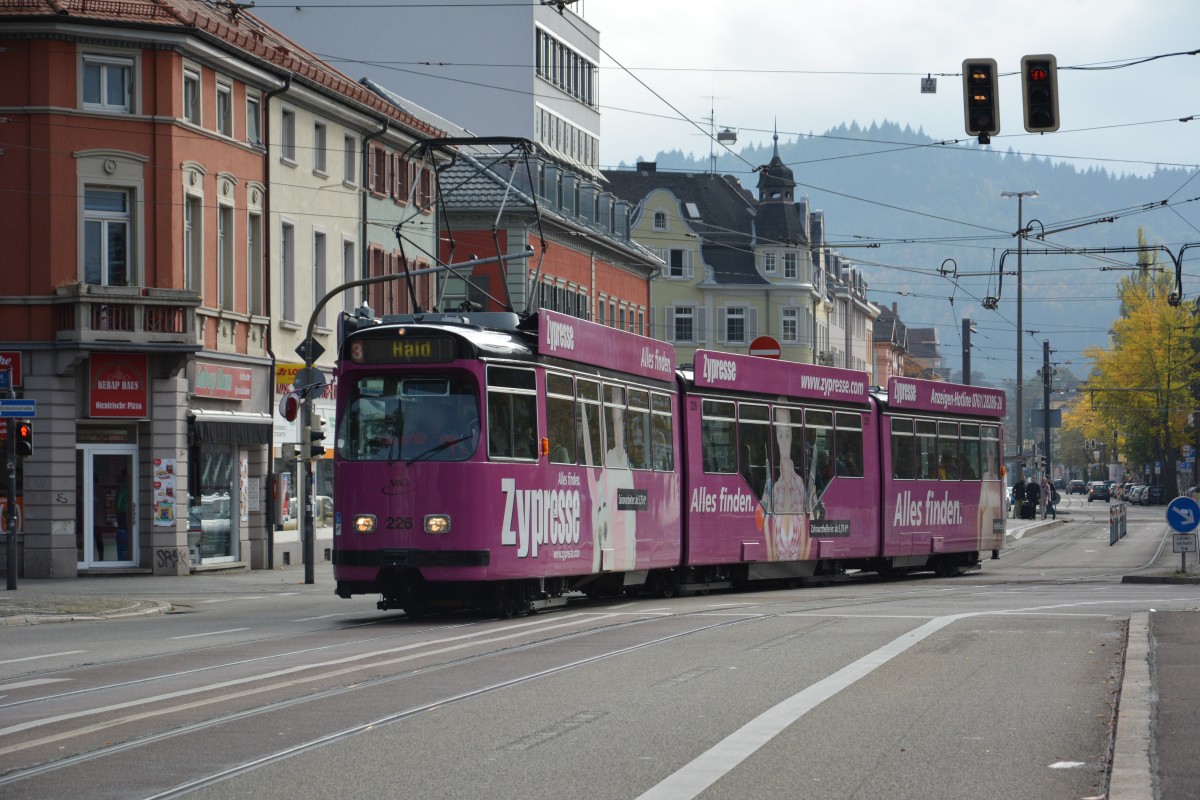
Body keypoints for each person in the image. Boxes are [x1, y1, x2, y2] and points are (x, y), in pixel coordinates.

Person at [765, 407, 809, 562]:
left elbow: (806, 542)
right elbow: (770, 554)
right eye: (780, 435)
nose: (784, 442)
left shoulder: (800, 485)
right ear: (776, 438)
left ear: (792, 437)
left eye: (787, 435)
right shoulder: (773, 488)